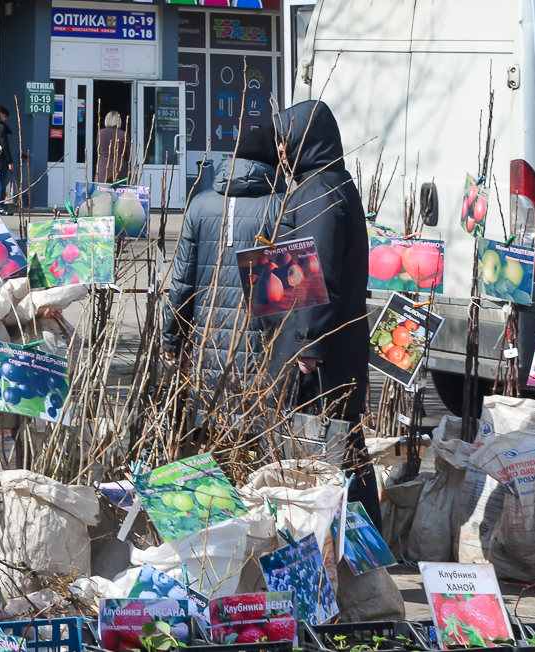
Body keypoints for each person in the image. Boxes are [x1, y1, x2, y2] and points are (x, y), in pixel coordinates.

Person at [262, 100, 381, 532]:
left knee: (331, 449)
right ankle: (363, 546)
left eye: (284, 140)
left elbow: (320, 269)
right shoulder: (328, 183)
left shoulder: (318, 191)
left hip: (320, 353)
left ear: (304, 140)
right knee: (342, 446)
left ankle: (353, 546)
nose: (279, 150)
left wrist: (308, 344)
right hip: (331, 344)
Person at [163, 128, 285, 429]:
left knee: (208, 431)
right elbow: (289, 292)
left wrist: (173, 340)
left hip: (206, 344)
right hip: (260, 345)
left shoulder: (201, 204)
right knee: (254, 434)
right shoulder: (281, 206)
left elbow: (182, 282)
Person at [97, 111, 129, 183]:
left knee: (102, 193)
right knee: (119, 193)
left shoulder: (100, 133)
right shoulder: (123, 134)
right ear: (119, 121)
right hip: (119, 169)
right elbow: (128, 155)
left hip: (103, 169)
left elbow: (98, 150)